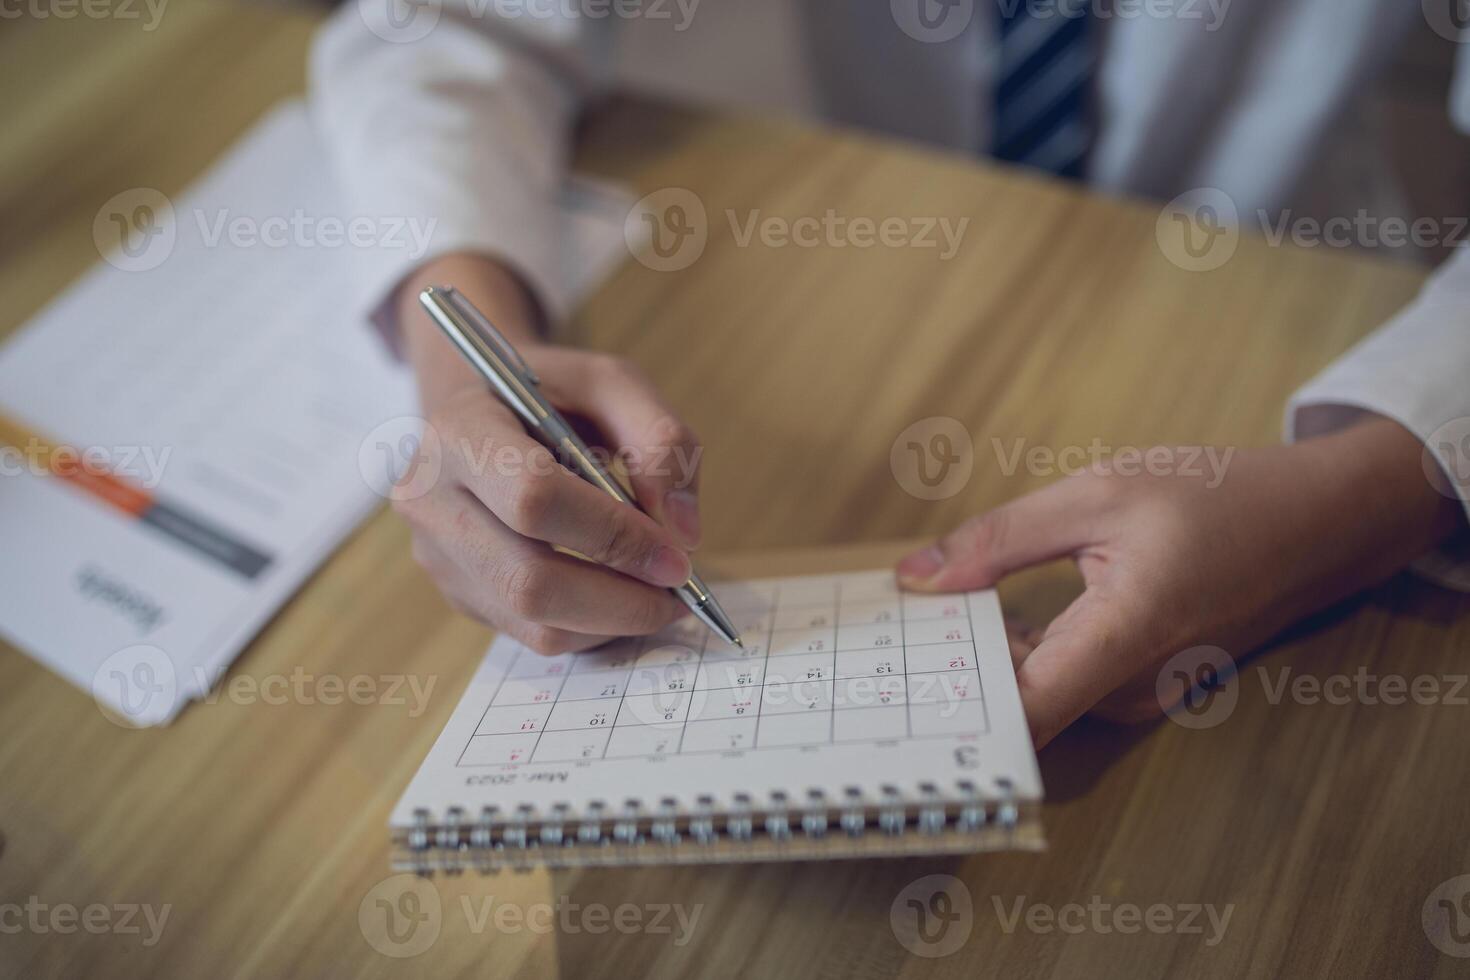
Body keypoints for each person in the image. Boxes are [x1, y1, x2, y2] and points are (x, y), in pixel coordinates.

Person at [309, 0, 1470, 746]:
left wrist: (1375, 482)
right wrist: (464, 366)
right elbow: (439, 28)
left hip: (1302, 282)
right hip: (863, 239)